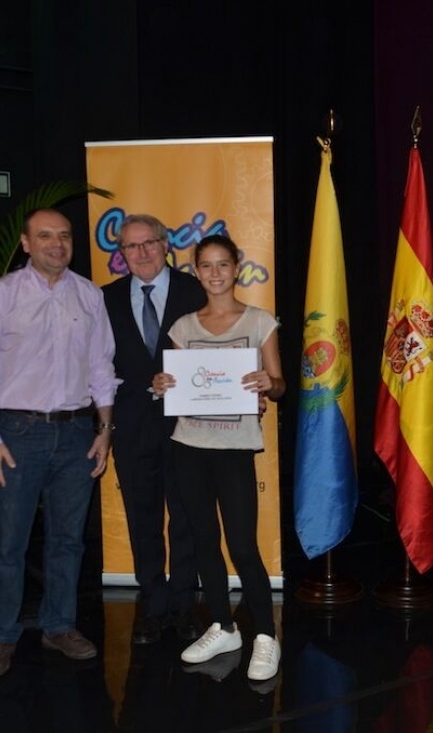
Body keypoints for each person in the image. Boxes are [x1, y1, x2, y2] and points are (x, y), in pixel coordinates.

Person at [0, 207, 119, 678]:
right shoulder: (0, 296)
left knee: (68, 541)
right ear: (26, 243)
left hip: (76, 434)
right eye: (45, 235)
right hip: (16, 435)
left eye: (65, 236)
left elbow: (101, 367)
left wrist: (105, 430)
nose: (57, 243)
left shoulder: (90, 296)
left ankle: (59, 626)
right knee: (10, 542)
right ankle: (2, 636)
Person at [152, 233, 286, 683]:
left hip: (233, 450)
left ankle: (265, 635)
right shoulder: (182, 327)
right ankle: (223, 626)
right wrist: (161, 384)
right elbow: (172, 383)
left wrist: (268, 384)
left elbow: (281, 385)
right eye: (205, 266)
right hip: (188, 445)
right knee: (203, 542)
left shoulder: (259, 320)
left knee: (243, 545)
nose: (214, 273)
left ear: (236, 268)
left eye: (222, 265)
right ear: (196, 270)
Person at [101, 213, 208, 645]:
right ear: (121, 254)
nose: (141, 253)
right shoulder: (103, 299)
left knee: (185, 517)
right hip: (131, 425)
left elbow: (213, 347)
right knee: (142, 519)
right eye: (131, 246)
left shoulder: (195, 290)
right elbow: (99, 364)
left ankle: (184, 607)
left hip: (188, 423)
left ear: (166, 245)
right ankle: (154, 606)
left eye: (149, 243)